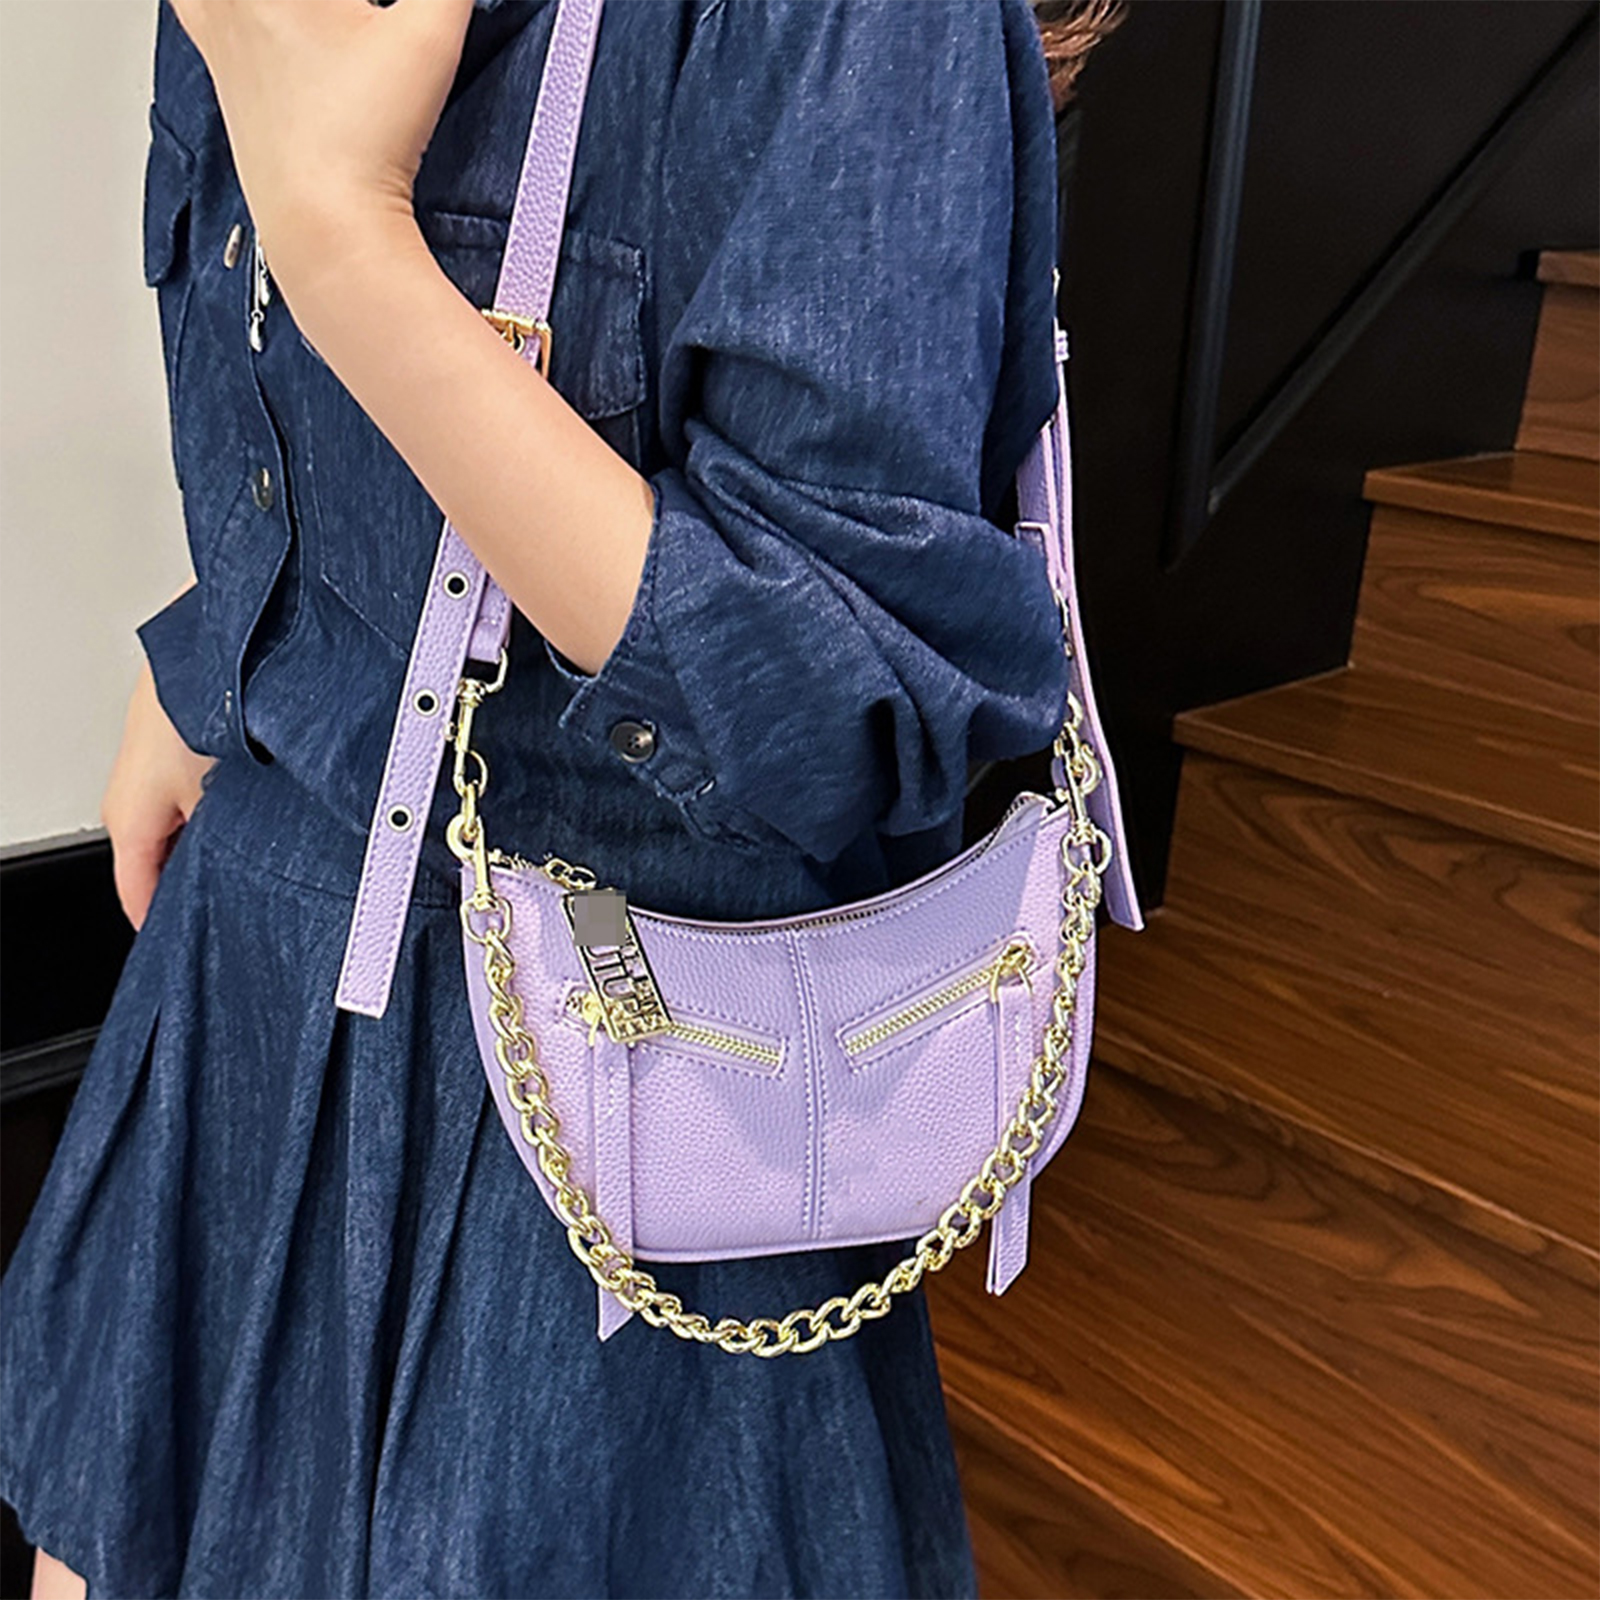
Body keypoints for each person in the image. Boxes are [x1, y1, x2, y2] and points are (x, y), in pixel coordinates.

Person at [0, 1, 1126, 1595]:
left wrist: (348, 249)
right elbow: (299, 426)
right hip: (245, 990)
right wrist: (223, 652)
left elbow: (838, 701)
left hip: (620, 1117)